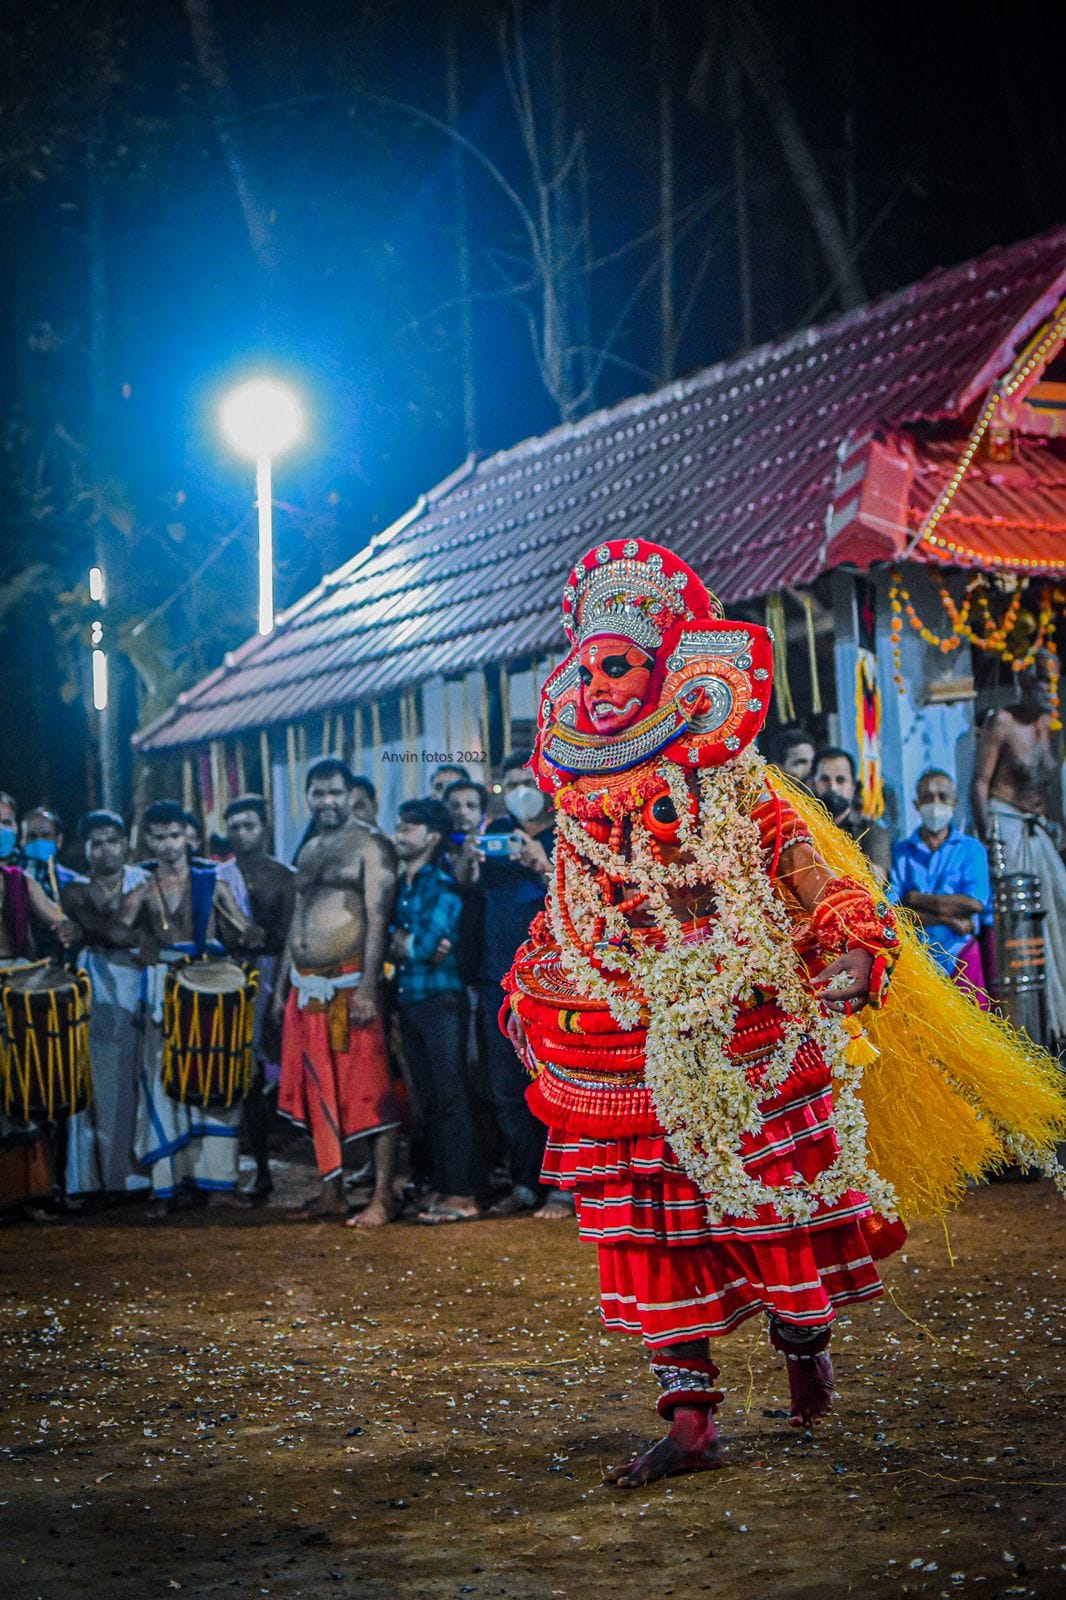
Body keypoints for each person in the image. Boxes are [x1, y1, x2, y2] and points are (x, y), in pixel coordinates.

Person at [502, 537, 907, 1487]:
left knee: (768, 1211)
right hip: (625, 1034)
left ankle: (804, 1343)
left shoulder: (727, 775)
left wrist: (851, 937)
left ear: (662, 673)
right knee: (645, 1221)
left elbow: (799, 862)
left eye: (620, 667)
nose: (599, 687)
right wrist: (536, 982)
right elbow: (572, 905)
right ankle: (689, 1420)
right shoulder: (578, 797)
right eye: (587, 668)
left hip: (742, 1022)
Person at [275, 758, 401, 1226]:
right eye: (318, 793)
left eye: (335, 793)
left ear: (350, 795)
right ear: (307, 797)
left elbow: (378, 918)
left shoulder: (371, 844)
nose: (326, 802)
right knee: (315, 1088)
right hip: (305, 988)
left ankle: (383, 1197)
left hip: (351, 986)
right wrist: (280, 986)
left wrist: (368, 984)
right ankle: (332, 1192)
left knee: (369, 1091)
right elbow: (297, 918)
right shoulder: (307, 850)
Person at [122, 799, 259, 1207]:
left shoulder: (212, 882)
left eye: (175, 835)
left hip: (211, 987)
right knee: (163, 1082)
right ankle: (168, 1183)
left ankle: (219, 1185)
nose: (167, 844)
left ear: (190, 837)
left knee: (217, 1078)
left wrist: (251, 935)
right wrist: (138, 939)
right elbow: (117, 929)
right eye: (159, 836)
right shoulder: (143, 888)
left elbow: (244, 927)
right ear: (147, 840)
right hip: (161, 988)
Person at [467, 751, 573, 1220]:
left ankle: (565, 1188)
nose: (518, 792)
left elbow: (584, 898)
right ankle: (525, 1183)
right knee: (507, 1088)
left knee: (557, 1083)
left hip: (553, 980)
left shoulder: (570, 832)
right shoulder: (492, 835)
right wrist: (469, 863)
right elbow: (468, 893)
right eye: (508, 784)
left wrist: (542, 864)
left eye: (525, 781)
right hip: (497, 976)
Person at [391, 798, 480, 1223]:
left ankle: (462, 1193)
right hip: (414, 996)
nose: (399, 833)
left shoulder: (440, 880)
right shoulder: (407, 882)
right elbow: (413, 942)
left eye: (409, 827)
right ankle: (446, 1187)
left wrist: (405, 943)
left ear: (432, 835)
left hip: (440, 999)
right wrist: (409, 942)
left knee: (450, 1095)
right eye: (400, 825)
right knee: (431, 1098)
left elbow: (424, 946)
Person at [972, 649, 1066, 1037]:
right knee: (1021, 925)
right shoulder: (1002, 722)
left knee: (1060, 910)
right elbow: (979, 783)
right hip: (1008, 830)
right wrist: (991, 845)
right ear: (1024, 682)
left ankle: (1059, 1019)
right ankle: (1031, 1026)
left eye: (1053, 681)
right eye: (1042, 681)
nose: (1049, 689)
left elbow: (1051, 785)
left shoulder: (1050, 724)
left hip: (1041, 832)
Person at [61, 812, 153, 1201]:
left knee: (142, 1076)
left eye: (112, 840)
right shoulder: (75, 889)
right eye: (97, 843)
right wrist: (134, 930)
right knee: (101, 1080)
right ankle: (106, 1179)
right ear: (85, 848)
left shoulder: (144, 880)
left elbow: (152, 931)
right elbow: (112, 930)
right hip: (96, 981)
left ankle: (145, 1175)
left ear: (125, 843)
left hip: (142, 979)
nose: (106, 849)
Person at [0, 824, 80, 1216]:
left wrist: (66, 927)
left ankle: (30, 1193)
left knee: (25, 1088)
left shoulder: (21, 880)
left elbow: (56, 919)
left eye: (6, 823)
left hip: (16, 987)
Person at [223, 794, 297, 1203]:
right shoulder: (218, 876)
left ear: (264, 828)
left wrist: (280, 991)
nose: (241, 833)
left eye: (248, 825)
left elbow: (288, 938)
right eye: (234, 825)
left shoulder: (284, 876)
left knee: (272, 1071)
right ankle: (252, 1167)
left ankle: (271, 1166)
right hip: (229, 977)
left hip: (269, 974)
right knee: (240, 1075)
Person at [890, 771, 992, 1006]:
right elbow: (896, 911)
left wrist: (916, 898)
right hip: (918, 959)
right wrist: (949, 920)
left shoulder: (971, 849)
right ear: (917, 804)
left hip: (962, 955)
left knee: (975, 1029)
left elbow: (974, 903)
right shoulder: (902, 851)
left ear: (954, 803)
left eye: (942, 796)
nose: (935, 804)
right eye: (927, 797)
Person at [812, 746, 892, 884]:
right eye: (824, 779)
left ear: (853, 787)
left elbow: (876, 879)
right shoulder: (802, 825)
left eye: (840, 780)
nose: (833, 787)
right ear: (812, 784)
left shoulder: (871, 830)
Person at [18, 807, 82, 901]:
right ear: (22, 841)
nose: (39, 841)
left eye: (46, 835)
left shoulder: (73, 882)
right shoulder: (10, 878)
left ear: (59, 840)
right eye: (32, 836)